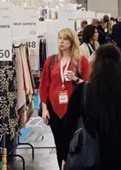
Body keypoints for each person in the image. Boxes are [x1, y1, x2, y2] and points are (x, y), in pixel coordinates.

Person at [39, 28, 91, 168]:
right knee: (59, 143)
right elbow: (44, 86)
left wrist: (76, 79)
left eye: (65, 38)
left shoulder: (81, 61)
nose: (61, 41)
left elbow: (89, 85)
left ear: (72, 41)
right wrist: (44, 108)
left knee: (72, 142)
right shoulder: (51, 61)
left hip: (73, 109)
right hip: (54, 109)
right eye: (60, 38)